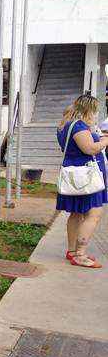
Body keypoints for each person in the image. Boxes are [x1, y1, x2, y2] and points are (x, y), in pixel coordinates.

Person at [56, 94, 108, 268]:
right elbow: (90, 149)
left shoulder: (66, 125)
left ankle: (72, 251)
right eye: (94, 111)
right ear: (89, 109)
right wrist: (104, 141)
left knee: (76, 213)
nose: (95, 115)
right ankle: (80, 254)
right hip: (85, 178)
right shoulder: (79, 127)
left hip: (76, 176)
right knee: (94, 214)